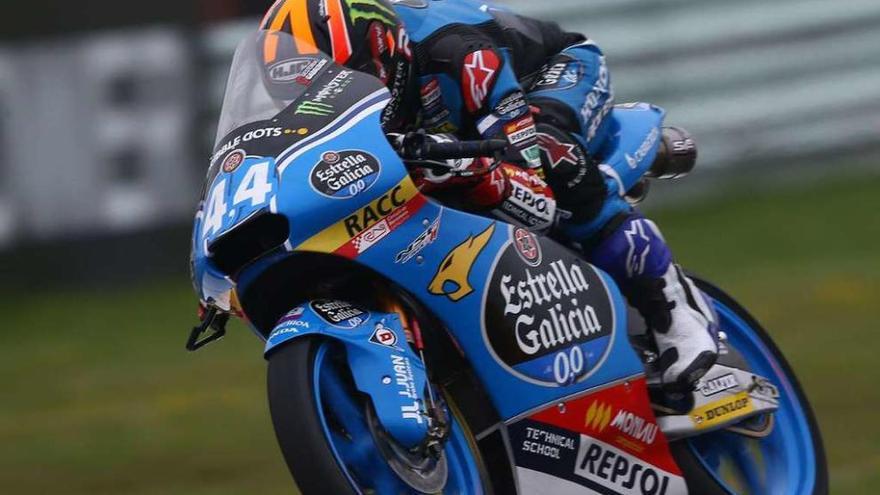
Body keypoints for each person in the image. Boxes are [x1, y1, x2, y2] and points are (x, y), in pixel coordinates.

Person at [258, 0, 717, 391]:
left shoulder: (458, 51)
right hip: (448, 128)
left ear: (383, 49)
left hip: (552, 73)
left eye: (348, 78)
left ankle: (674, 306)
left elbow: (531, 177)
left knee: (553, 156)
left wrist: (480, 172)